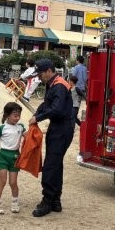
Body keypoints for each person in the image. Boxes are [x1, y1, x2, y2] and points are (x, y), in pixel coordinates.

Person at [28, 59, 74, 217]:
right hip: (60, 127)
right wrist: (37, 113)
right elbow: (46, 104)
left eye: (40, 74)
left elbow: (57, 109)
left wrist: (38, 118)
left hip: (62, 128)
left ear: (48, 70)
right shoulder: (52, 84)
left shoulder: (59, 85)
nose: (39, 77)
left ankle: (47, 200)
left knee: (50, 165)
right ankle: (55, 200)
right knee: (56, 164)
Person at [0, 102, 26, 214]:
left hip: (15, 156)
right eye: (15, 115)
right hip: (3, 156)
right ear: (7, 115)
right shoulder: (2, 127)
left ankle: (15, 202)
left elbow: (30, 138)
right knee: (3, 181)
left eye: (19, 115)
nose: (17, 117)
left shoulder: (21, 127)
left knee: (13, 182)